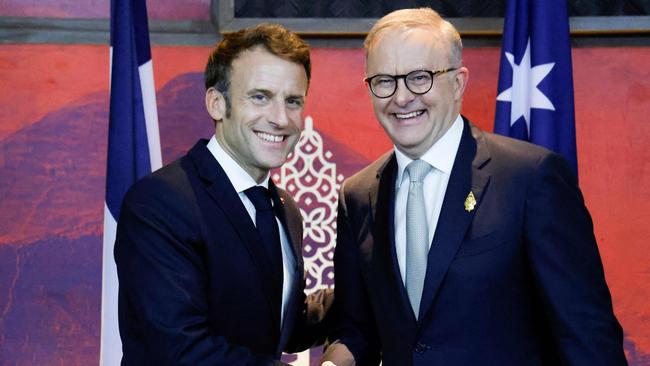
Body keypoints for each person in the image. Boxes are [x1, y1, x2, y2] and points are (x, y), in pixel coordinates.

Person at [321, 7, 627, 366]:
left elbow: (587, 338)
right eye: (384, 80)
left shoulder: (530, 178)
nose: (401, 97)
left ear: (458, 82)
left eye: (420, 77)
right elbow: (358, 329)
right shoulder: (357, 196)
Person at [114, 23, 332, 365]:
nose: (280, 118)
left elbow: (280, 322)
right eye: (260, 97)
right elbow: (183, 350)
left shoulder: (285, 210)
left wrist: (375, 288)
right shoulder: (159, 203)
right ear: (217, 104)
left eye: (293, 101)